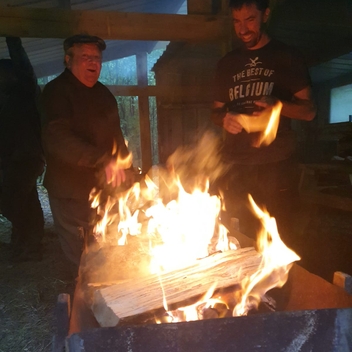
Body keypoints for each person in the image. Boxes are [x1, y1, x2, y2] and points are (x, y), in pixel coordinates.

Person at [211, 0, 317, 240]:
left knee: (279, 238)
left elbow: (309, 110)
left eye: (250, 19)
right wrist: (224, 119)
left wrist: (279, 106)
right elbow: (216, 112)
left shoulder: (287, 57)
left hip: (276, 165)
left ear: (265, 14)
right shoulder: (226, 64)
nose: (243, 29)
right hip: (236, 166)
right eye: (237, 21)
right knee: (237, 236)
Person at [41, 34, 133, 274]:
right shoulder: (56, 93)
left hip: (101, 189)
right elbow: (57, 138)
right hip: (70, 192)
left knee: (103, 250)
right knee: (81, 256)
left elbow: (116, 139)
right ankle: (84, 302)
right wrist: (102, 160)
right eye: (86, 57)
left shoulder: (104, 96)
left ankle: (105, 295)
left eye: (97, 58)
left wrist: (129, 172)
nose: (93, 63)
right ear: (68, 60)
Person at [0, 37, 45, 262]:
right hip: (11, 158)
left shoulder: (25, 90)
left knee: (11, 199)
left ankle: (31, 243)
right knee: (26, 200)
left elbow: (24, 66)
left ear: (12, 74)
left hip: (28, 155)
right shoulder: (4, 98)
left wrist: (12, 37)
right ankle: (25, 241)